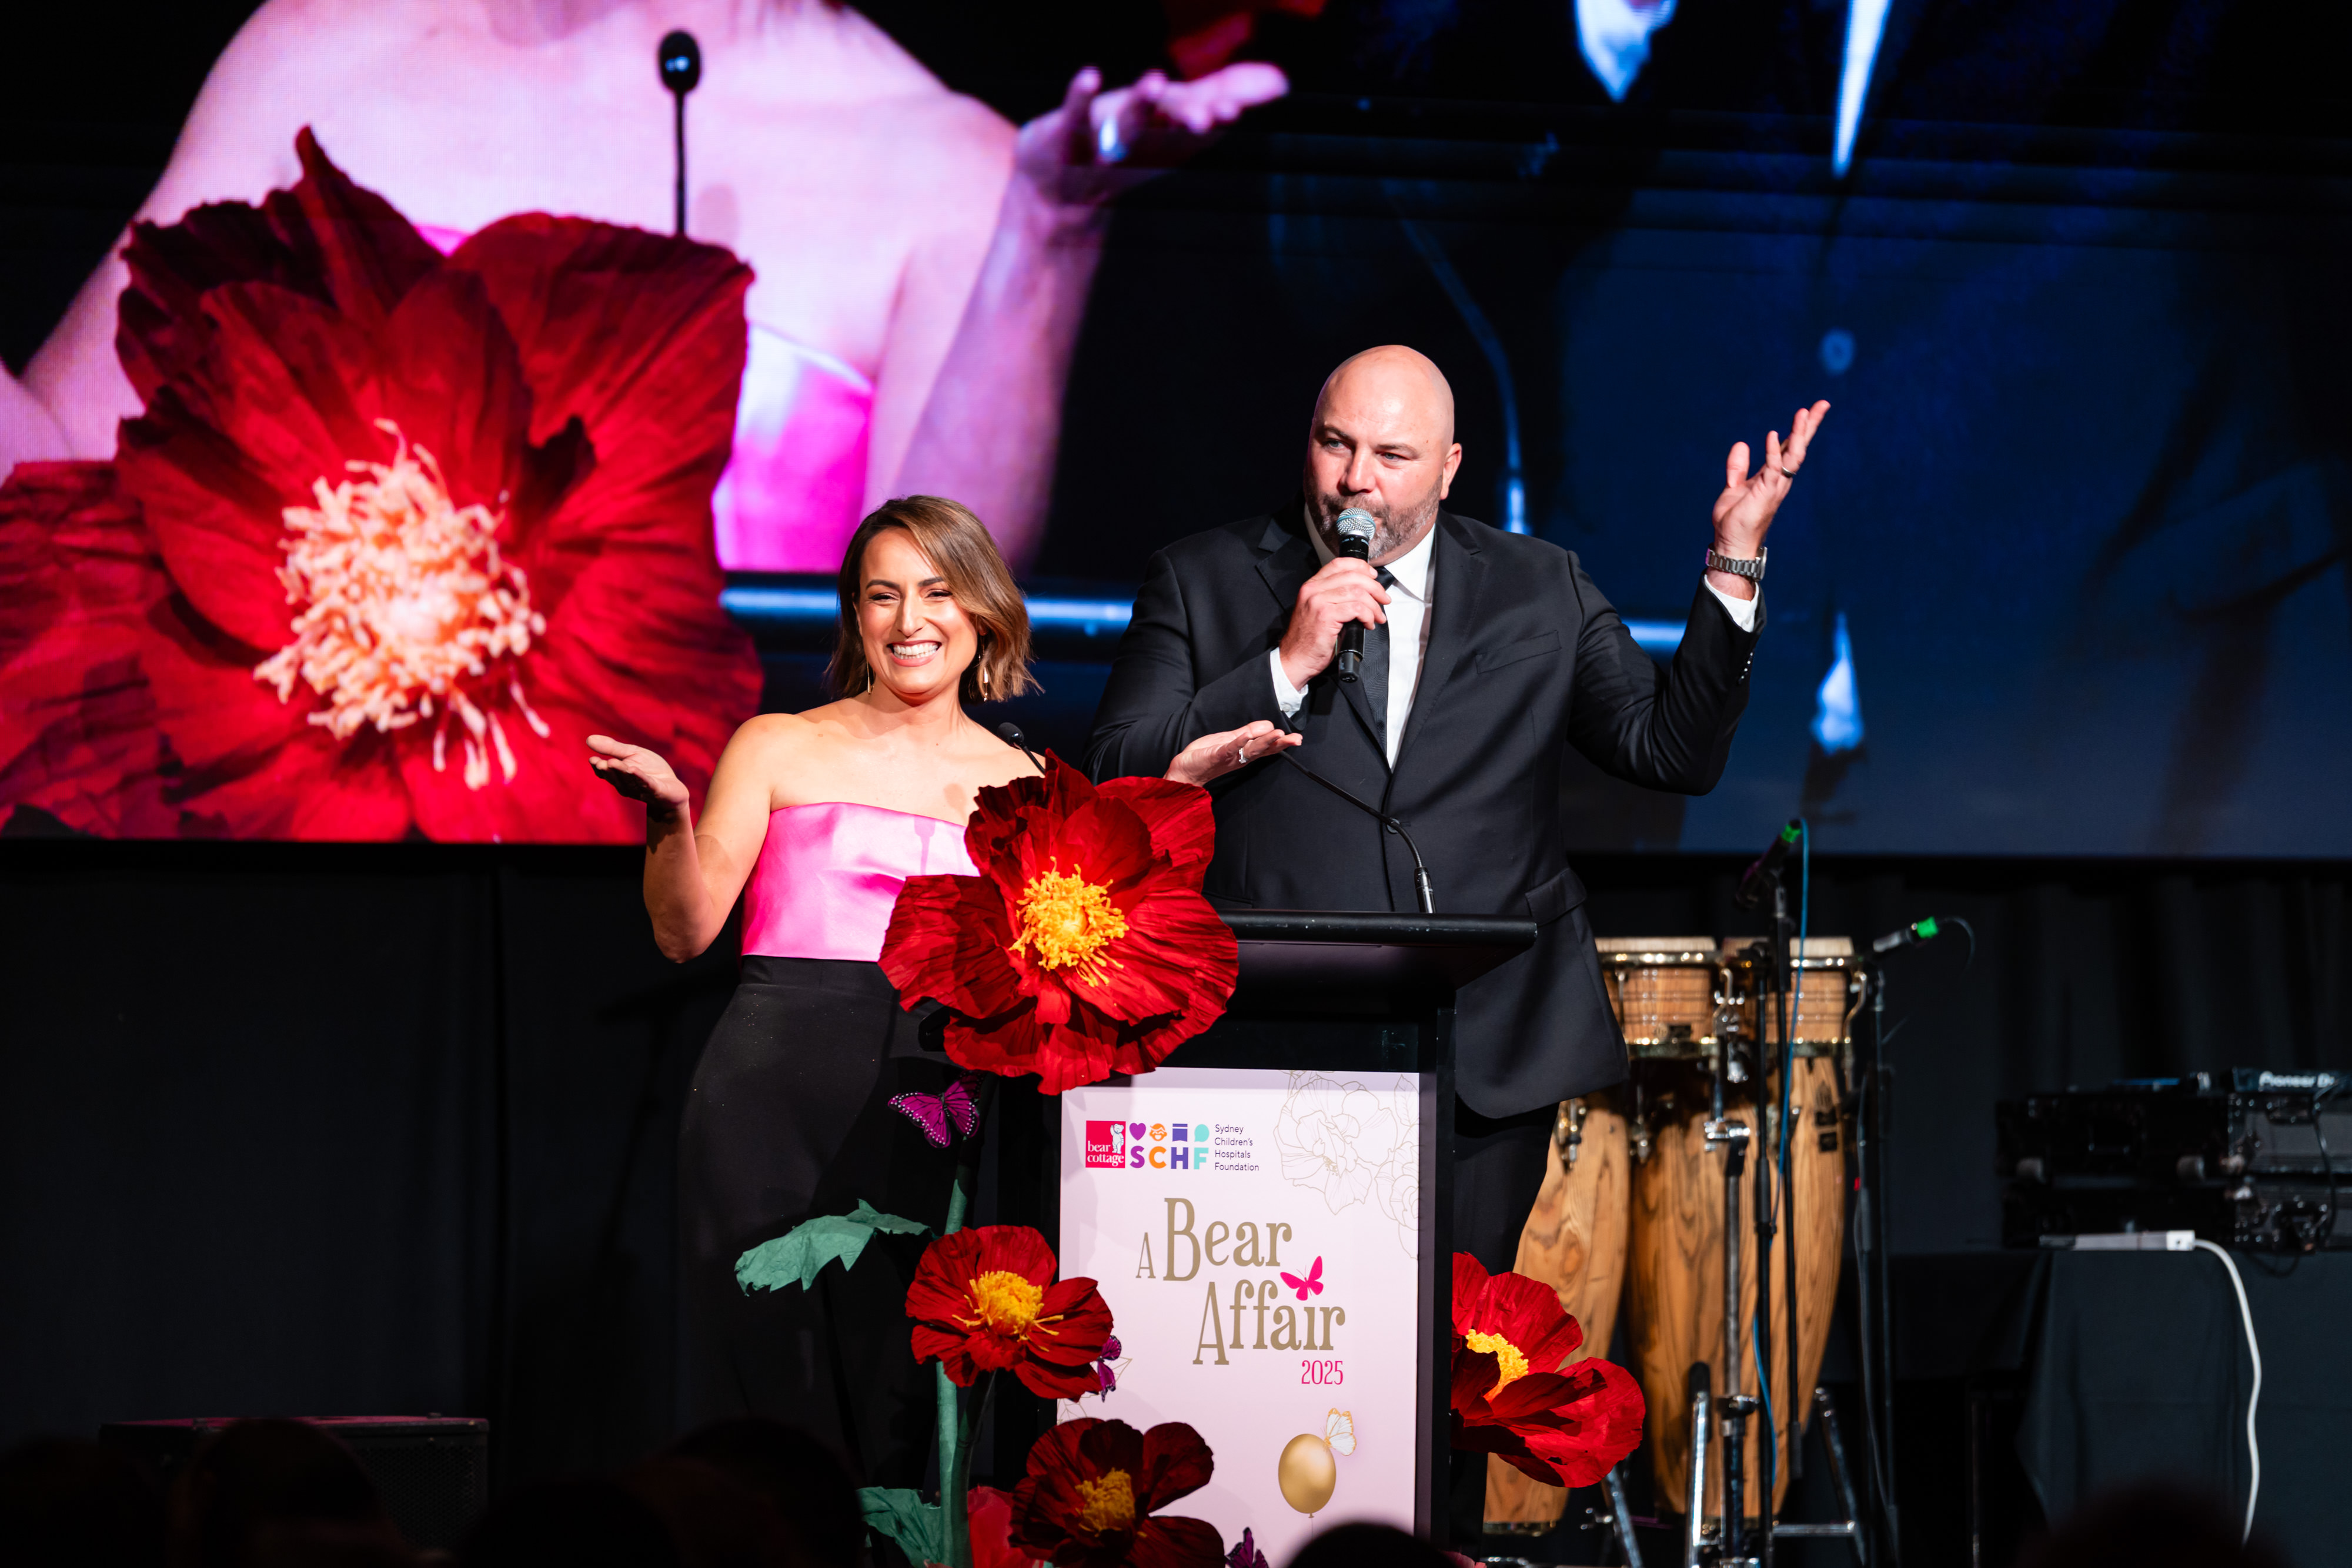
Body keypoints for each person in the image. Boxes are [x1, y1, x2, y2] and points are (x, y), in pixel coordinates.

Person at [1083, 343, 1826, 1391]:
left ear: (1450, 466)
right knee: (1276, 1357)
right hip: (1275, 1042)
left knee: (1446, 1368)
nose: (1355, 480)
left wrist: (1734, 563)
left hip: (1483, 1052)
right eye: (1335, 444)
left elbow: (1674, 753)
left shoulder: (1540, 587)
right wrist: (1282, 667)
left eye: (1392, 454)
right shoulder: (1204, 577)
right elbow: (1115, 769)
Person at [0, 0, 1284, 574]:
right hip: (303, 885)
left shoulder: (944, 161)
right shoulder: (317, 49)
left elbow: (936, 614)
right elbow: (55, 475)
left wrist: (1048, 231)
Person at [586, 495, 1282, 1479]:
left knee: (903, 1412)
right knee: (764, 1409)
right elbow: (683, 929)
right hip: (762, 1104)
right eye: (882, 596)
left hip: (932, 1102)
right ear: (856, 618)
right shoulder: (776, 744)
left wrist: (1179, 785)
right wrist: (669, 813)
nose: (909, 620)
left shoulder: (1030, 782)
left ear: (984, 611)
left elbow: (1105, 917)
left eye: (936, 592)